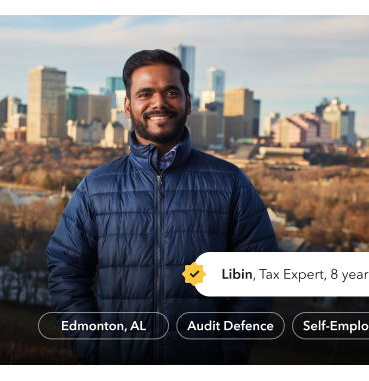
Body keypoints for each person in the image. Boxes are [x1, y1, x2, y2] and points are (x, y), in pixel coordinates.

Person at [46, 49, 278, 365]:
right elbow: (65, 268)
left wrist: (229, 352)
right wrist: (94, 347)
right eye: (145, 94)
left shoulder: (230, 182)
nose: (159, 102)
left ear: (188, 102)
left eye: (171, 92)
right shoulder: (96, 187)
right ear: (128, 106)